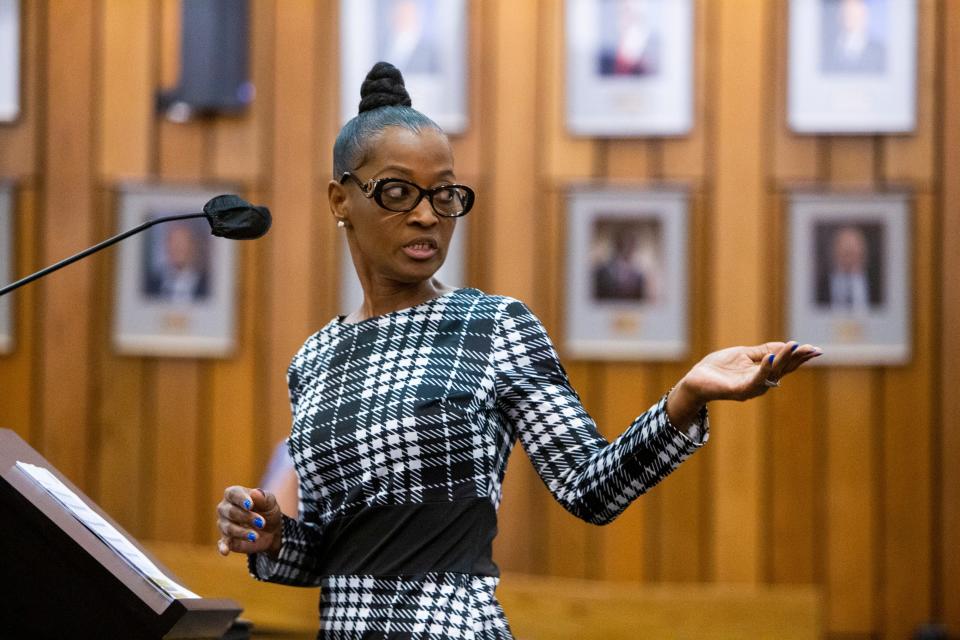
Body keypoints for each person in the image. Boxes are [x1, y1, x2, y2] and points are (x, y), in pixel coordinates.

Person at [216, 62, 822, 639]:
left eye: (445, 194)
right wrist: (270, 536)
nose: (428, 216)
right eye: (398, 192)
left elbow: (592, 488)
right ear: (340, 200)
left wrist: (684, 398)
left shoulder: (492, 326)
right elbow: (327, 554)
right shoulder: (314, 360)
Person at [816, 224, 882, 312]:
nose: (849, 259)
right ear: (834, 253)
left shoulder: (878, 286)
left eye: (853, 252)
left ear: (863, 253)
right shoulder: (819, 288)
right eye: (845, 253)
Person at [143, 221, 210, 303]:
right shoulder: (151, 283)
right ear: (166, 246)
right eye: (173, 242)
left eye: (182, 243)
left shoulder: (207, 284)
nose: (177, 248)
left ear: (192, 246)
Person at [820, 0, 886, 74]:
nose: (849, 15)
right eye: (846, 10)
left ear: (864, 14)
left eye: (854, 11)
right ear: (839, 14)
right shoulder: (825, 50)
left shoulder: (880, 52)